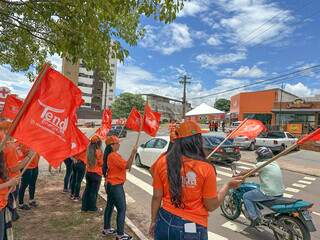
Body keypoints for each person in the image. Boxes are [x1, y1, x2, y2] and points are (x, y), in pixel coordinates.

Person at [149, 120, 243, 239]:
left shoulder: (163, 161)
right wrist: (227, 185)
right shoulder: (206, 168)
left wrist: (153, 221)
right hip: (192, 226)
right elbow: (211, 205)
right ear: (198, 140)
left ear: (178, 140)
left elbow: (157, 196)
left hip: (164, 220)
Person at [102, 135, 137, 240]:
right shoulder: (113, 156)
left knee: (109, 206)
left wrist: (129, 163)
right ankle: (120, 234)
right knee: (122, 209)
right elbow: (126, 166)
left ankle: (107, 228)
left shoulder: (110, 155)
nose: (119, 144)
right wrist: (133, 153)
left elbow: (125, 166)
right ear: (112, 145)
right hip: (116, 186)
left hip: (110, 185)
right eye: (117, 143)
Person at [242, 147, 284, 226]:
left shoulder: (261, 164)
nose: (257, 157)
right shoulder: (274, 162)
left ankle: (254, 218)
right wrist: (254, 175)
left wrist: (239, 174)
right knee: (257, 190)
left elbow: (249, 171)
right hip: (280, 192)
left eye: (258, 155)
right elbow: (262, 173)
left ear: (262, 156)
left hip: (269, 193)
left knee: (246, 196)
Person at [0, 151, 20, 240]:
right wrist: (8, 183)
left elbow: (10, 187)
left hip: (3, 205)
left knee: (3, 235)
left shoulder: (2, 165)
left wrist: (13, 184)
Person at [81, 135, 103, 212]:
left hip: (88, 173)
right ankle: (92, 208)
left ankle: (84, 207)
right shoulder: (99, 151)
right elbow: (101, 163)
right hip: (96, 174)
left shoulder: (88, 151)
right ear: (98, 143)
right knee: (94, 192)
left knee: (87, 190)